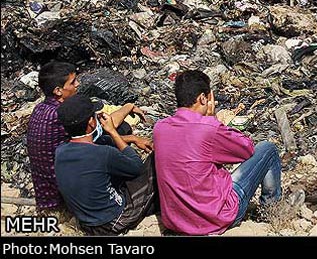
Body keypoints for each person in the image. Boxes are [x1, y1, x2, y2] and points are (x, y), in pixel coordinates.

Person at [153, 69, 282, 235]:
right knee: (267, 149)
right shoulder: (207, 128)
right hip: (217, 219)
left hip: (176, 222)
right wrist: (212, 118)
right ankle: (270, 210)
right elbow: (246, 149)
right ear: (202, 98)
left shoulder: (160, 128)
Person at [26, 61, 151, 210]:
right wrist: (131, 126)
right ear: (58, 90)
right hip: (64, 191)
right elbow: (105, 127)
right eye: (73, 82)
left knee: (119, 131)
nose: (78, 84)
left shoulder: (42, 108)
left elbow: (100, 123)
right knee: (123, 149)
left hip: (50, 186)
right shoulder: (61, 115)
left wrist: (127, 109)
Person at [55, 95, 159, 235]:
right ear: (91, 122)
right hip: (112, 221)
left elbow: (101, 141)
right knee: (154, 160)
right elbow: (137, 167)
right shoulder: (103, 154)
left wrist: (132, 138)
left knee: (108, 152)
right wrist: (112, 131)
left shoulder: (60, 151)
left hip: (86, 221)